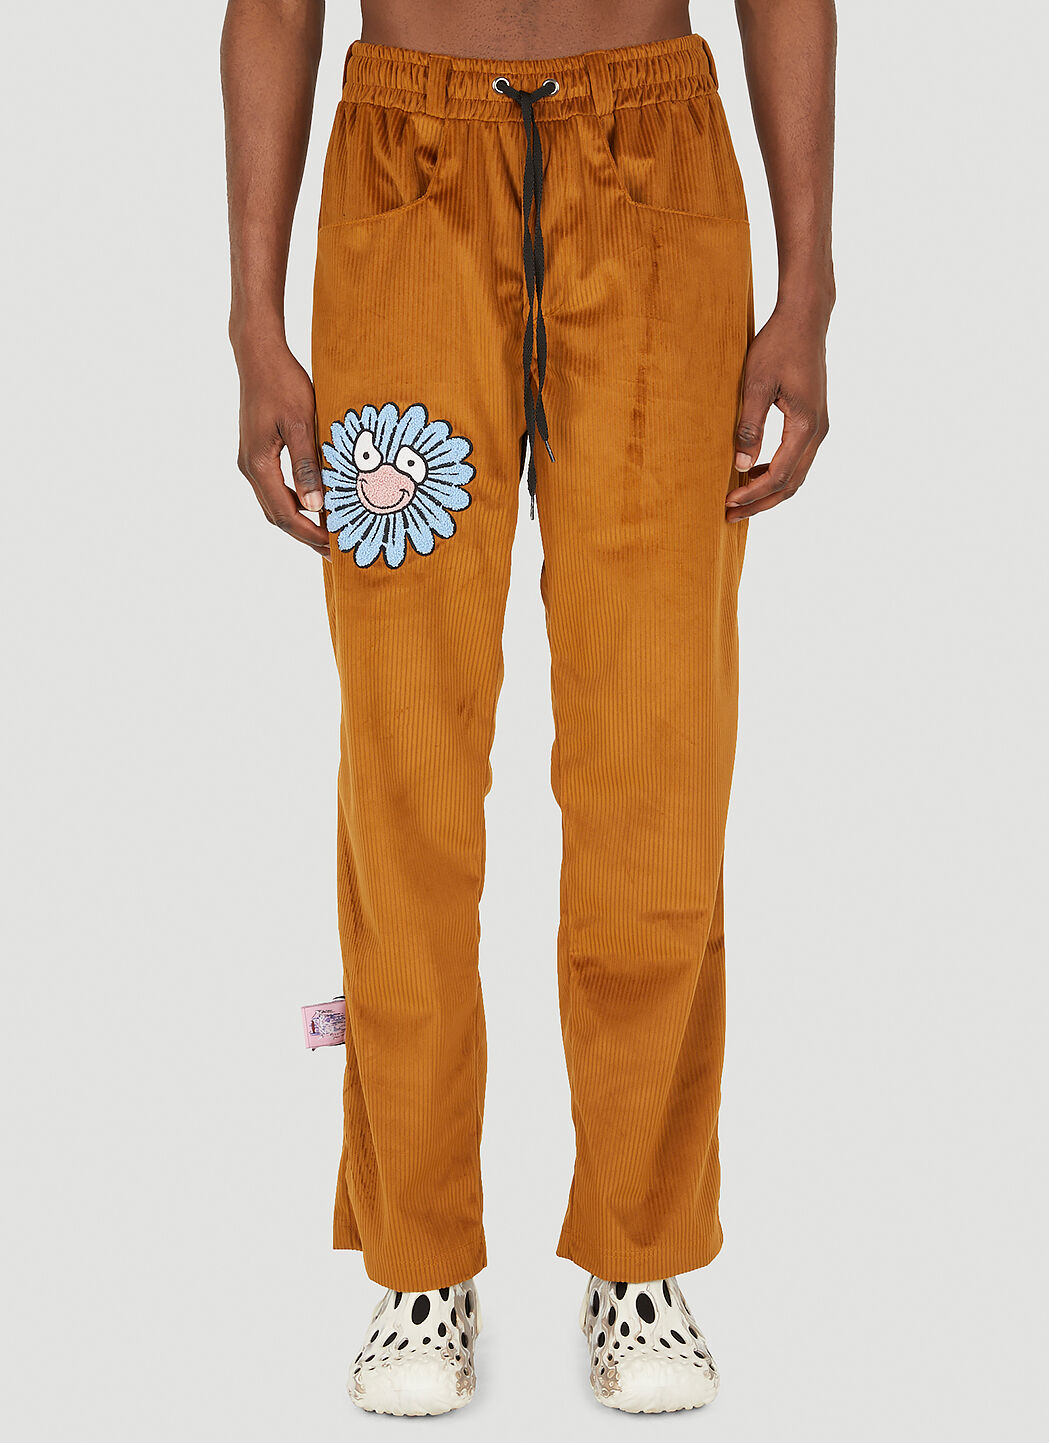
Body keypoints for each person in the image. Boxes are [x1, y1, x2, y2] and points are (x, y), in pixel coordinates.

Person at [221, 0, 835, 1417]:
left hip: (658, 171)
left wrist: (807, 285)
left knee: (656, 754)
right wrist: (253, 317)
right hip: (401, 179)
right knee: (405, 760)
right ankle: (417, 1256)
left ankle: (641, 1248)